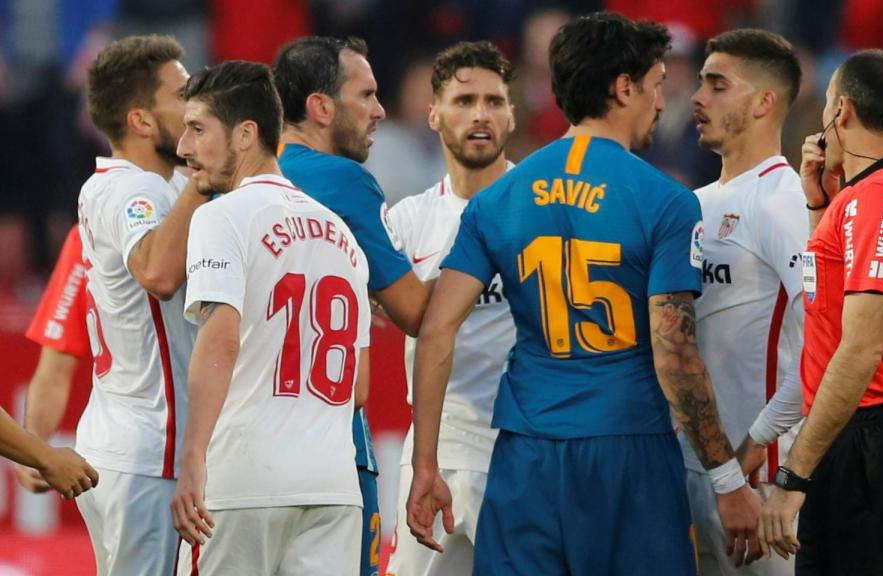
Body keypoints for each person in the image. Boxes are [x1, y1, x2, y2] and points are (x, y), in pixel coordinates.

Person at [407, 13, 762, 575]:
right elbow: (675, 354)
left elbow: (436, 331)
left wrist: (425, 466)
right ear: (623, 88)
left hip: (526, 455)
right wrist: (726, 478)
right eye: (655, 86)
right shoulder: (666, 201)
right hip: (628, 452)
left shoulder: (498, 200)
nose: (661, 102)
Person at [169, 60, 371, 575]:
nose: (183, 147)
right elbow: (359, 386)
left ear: (245, 134)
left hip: (244, 483)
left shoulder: (220, 217)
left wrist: (193, 456)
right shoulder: (343, 237)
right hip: (333, 488)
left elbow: (220, 340)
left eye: (197, 129)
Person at [759, 50, 883, 575]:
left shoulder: (879, 199)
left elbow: (861, 347)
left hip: (872, 436)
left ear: (841, 111)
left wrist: (793, 476)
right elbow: (826, 305)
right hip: (871, 434)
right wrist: (819, 206)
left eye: (826, 104)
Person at [272, 36, 434, 576]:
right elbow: (415, 310)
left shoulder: (237, 181)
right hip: (330, 449)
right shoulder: (343, 181)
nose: (379, 110)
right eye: (365, 95)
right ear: (321, 107)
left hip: (239, 450)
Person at [75, 35, 205, 575]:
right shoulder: (138, 192)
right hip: (151, 447)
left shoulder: (123, 186)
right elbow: (157, 273)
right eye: (182, 95)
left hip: (124, 437)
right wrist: (204, 180)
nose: (196, 108)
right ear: (142, 120)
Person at [387, 40, 517, 575]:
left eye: (494, 101)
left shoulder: (543, 209)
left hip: (520, 448)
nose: (480, 114)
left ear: (511, 115)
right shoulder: (406, 221)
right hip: (432, 449)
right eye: (464, 101)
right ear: (433, 114)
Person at [685, 29, 807, 575]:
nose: (697, 97)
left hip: (759, 482)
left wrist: (760, 448)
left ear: (764, 103)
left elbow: (824, 345)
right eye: (700, 82)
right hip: (700, 470)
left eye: (717, 85)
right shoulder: (693, 204)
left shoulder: (785, 202)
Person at [16, 227, 91, 494]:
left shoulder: (207, 222)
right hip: (137, 449)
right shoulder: (88, 236)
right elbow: (54, 370)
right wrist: (35, 450)